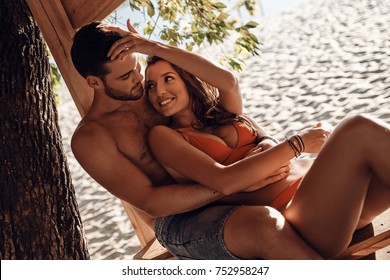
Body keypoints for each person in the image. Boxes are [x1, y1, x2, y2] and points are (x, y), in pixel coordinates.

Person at [107, 22, 390, 259]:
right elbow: (224, 181)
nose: (159, 91)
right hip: (299, 219)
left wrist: (153, 47)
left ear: (187, 79)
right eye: (151, 85)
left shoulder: (223, 114)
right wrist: (297, 145)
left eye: (169, 78)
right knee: (358, 129)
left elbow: (228, 81)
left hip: (336, 203)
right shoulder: (165, 136)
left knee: (365, 144)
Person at [70, 20, 322, 259]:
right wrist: (235, 181)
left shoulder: (152, 93)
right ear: (95, 82)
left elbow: (224, 107)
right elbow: (152, 202)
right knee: (263, 226)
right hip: (180, 219)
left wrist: (265, 139)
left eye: (137, 68)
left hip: (226, 181)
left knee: (315, 182)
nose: (138, 79)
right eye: (125, 76)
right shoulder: (92, 139)